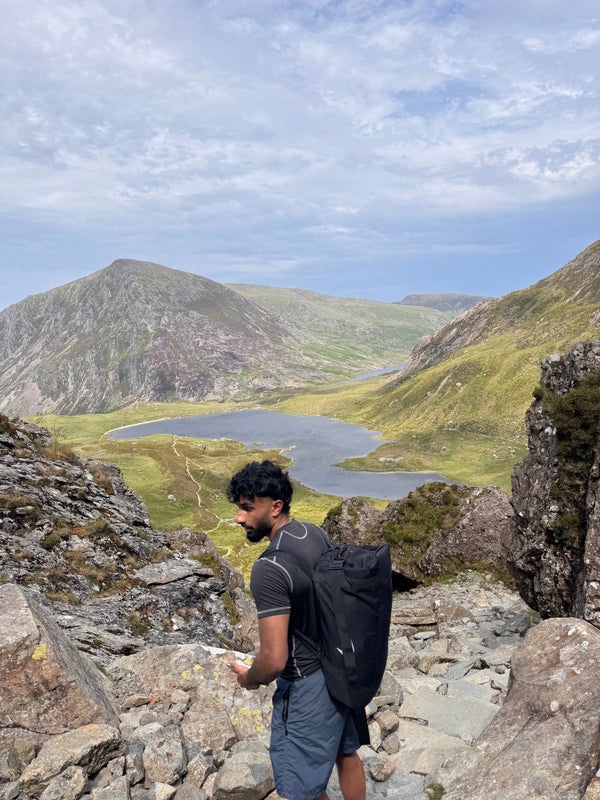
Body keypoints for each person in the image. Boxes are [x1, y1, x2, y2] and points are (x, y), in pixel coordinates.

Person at [227, 459, 367, 800]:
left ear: (275, 507)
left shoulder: (270, 568)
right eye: (239, 508)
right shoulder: (313, 533)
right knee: (345, 752)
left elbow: (274, 660)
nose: (239, 518)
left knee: (301, 787)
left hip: (307, 683)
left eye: (248, 508)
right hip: (341, 666)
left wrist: (250, 678)